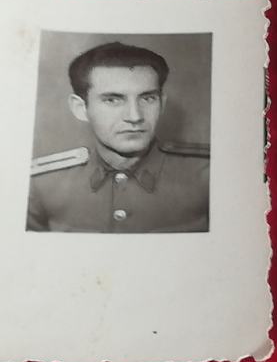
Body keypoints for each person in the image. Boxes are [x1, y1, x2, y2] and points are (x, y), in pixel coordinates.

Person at [27, 42, 210, 232]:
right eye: (112, 100)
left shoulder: (207, 178)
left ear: (162, 104)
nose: (135, 116)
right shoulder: (42, 185)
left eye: (148, 98)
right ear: (80, 108)